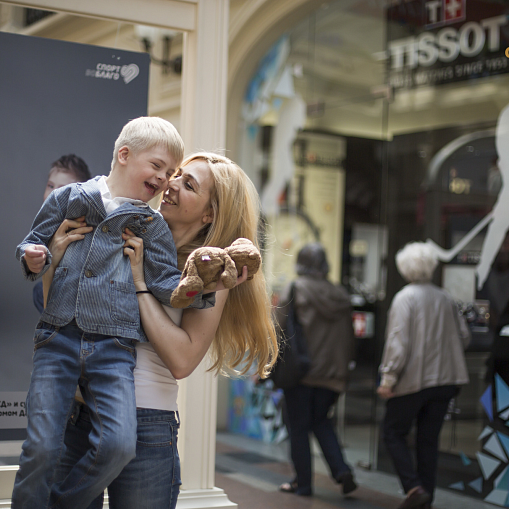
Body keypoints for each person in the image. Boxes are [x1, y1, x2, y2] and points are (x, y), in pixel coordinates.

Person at [45, 152, 278, 509]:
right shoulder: (127, 229)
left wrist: (140, 283)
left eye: (188, 185)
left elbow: (182, 360)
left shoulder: (210, 273)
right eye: (176, 175)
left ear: (209, 214)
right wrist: (53, 262)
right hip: (80, 411)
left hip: (145, 424)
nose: (170, 184)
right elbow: (58, 314)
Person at [13, 117, 213, 509]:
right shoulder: (69, 197)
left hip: (114, 349)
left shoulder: (149, 223)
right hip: (58, 338)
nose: (165, 179)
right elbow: (31, 244)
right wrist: (36, 256)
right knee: (40, 446)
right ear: (124, 155)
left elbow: (167, 284)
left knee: (120, 445)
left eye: (172, 173)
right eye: (158, 167)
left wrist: (201, 286)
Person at [377, 242, 470, 509]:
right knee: (428, 441)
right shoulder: (445, 297)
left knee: (393, 432)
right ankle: (425, 498)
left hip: (414, 381)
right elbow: (464, 336)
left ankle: (414, 488)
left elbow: (397, 343)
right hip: (446, 381)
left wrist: (388, 379)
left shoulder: (405, 298)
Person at [277, 243, 357, 497]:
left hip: (302, 372)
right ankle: (342, 470)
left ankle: (303, 483)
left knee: (298, 427)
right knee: (321, 421)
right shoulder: (340, 295)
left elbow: (278, 328)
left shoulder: (296, 288)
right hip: (333, 374)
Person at [33, 154, 92, 313]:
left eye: (63, 189)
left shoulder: (82, 225)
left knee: (44, 291)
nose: (53, 194)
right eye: (51, 186)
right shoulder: (50, 225)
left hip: (91, 295)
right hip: (67, 292)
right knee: (40, 291)